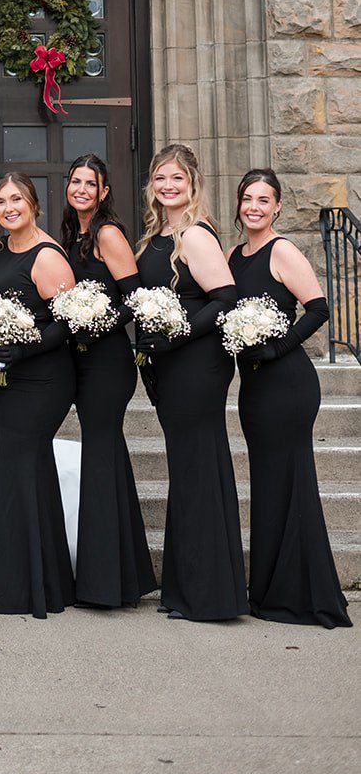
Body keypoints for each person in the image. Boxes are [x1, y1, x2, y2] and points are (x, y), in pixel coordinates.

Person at [229, 168, 350, 628]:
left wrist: (279, 345)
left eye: (264, 200)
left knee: (292, 481)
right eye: (247, 199)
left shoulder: (282, 250)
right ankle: (266, 591)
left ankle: (300, 596)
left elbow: (318, 307)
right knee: (267, 484)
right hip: (254, 388)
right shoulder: (234, 255)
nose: (254, 207)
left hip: (288, 384)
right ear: (239, 204)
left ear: (278, 206)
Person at [134, 142, 247, 622]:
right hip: (170, 362)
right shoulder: (155, 236)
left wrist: (175, 336)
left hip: (198, 363)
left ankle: (210, 595)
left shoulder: (196, 236)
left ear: (192, 183)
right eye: (160, 178)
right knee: (186, 469)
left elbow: (224, 299)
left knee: (200, 467)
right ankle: (184, 589)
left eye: (176, 178)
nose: (167, 186)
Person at [61, 154, 156, 608]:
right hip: (81, 359)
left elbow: (135, 298)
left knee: (100, 455)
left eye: (89, 183)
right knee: (106, 455)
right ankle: (125, 573)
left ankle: (104, 584)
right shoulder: (71, 234)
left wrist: (96, 323)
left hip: (109, 361)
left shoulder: (107, 233)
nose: (81, 189)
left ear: (103, 192)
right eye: (75, 181)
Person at [0, 172, 76, 618]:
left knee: (23, 466)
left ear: (33, 204)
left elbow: (69, 324)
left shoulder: (48, 256)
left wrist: (25, 345)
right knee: (19, 471)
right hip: (6, 380)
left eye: (16, 199)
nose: (8, 208)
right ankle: (37, 582)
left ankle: (28, 589)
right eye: (1, 202)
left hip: (43, 381)